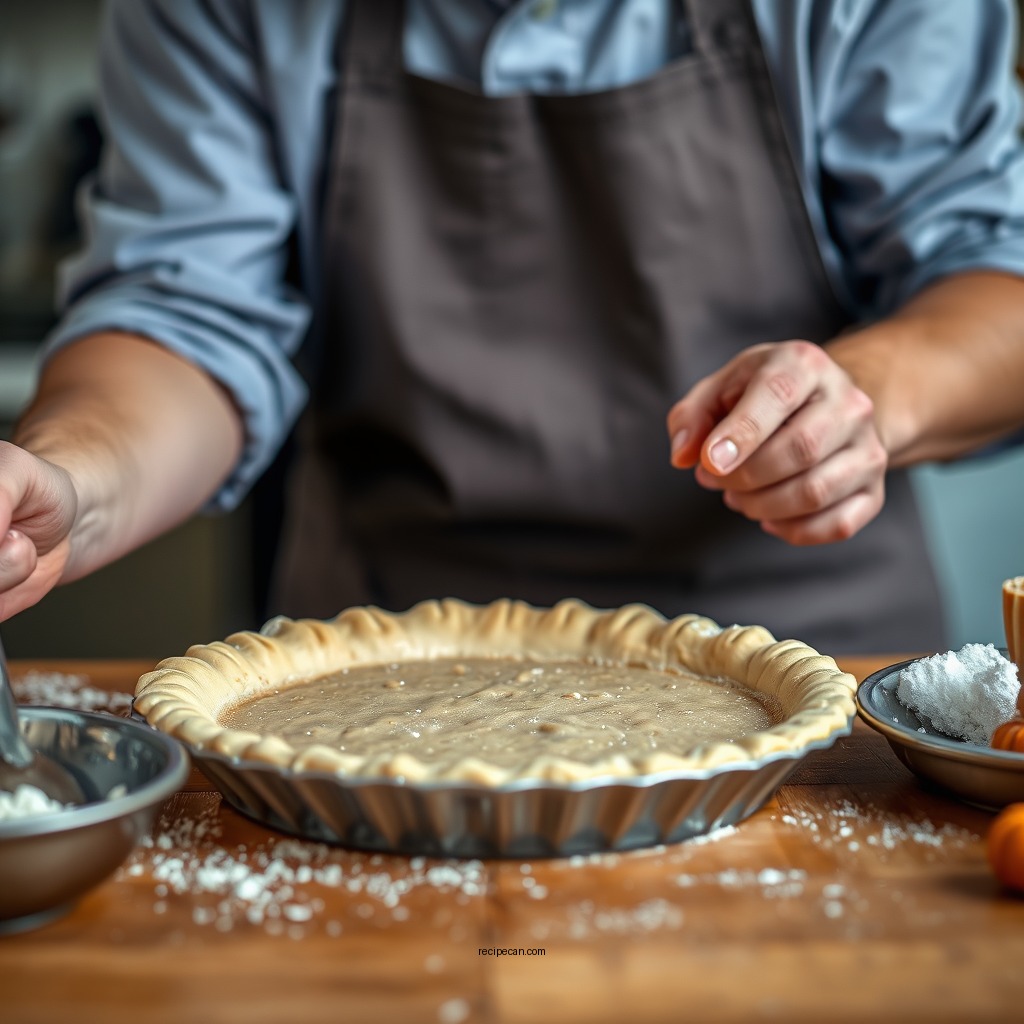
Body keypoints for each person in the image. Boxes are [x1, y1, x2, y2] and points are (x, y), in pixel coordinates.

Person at [3, 0, 1024, 654]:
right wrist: (76, 482)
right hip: (378, 668)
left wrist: (860, 399)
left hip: (807, 660)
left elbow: (999, 286)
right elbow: (186, 317)